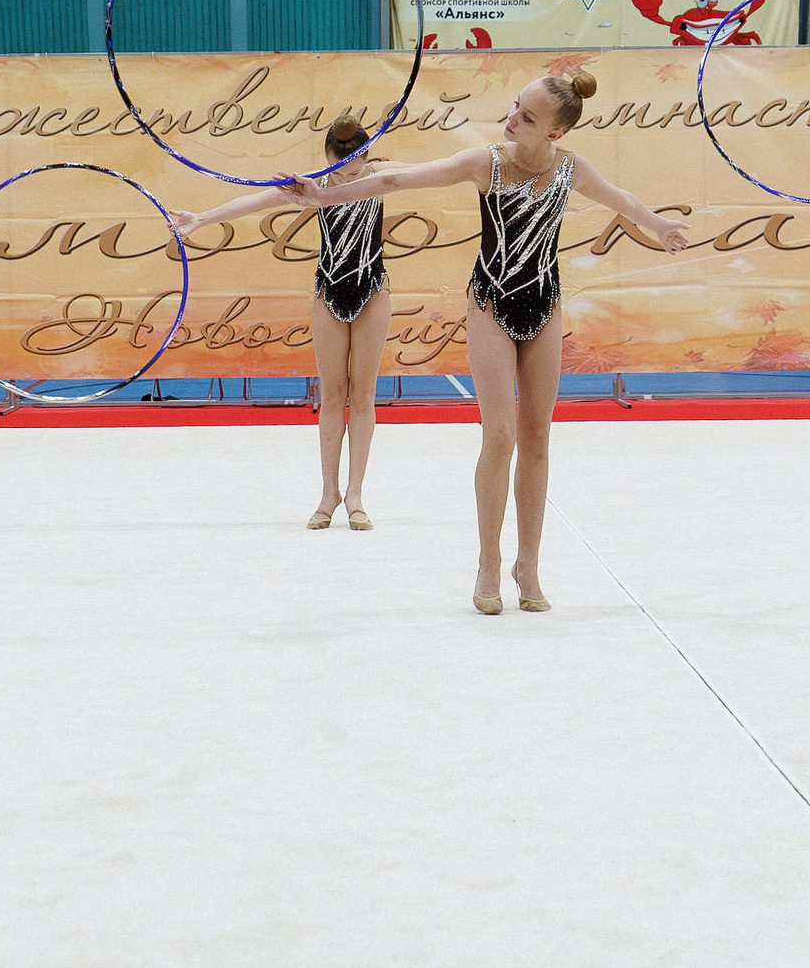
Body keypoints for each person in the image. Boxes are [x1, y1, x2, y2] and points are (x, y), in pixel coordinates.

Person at [286, 71, 690, 615]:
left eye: (527, 117)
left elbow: (621, 198)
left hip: (544, 305)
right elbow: (397, 182)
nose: (512, 119)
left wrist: (658, 224)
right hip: (491, 305)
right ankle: (489, 561)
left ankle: (530, 564)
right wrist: (325, 195)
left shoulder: (571, 170)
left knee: (538, 436)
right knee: (499, 435)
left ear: (554, 134)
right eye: (514, 107)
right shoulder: (487, 163)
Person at [169, 117, 394, 531]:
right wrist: (201, 219)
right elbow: (257, 201)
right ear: (325, 161)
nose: (345, 179)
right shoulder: (314, 186)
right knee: (332, 393)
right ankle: (328, 494)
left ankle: (356, 495)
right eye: (336, 171)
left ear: (368, 156)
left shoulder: (381, 176)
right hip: (329, 291)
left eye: (353, 171)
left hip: (373, 291)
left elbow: (435, 172)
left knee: (363, 394)